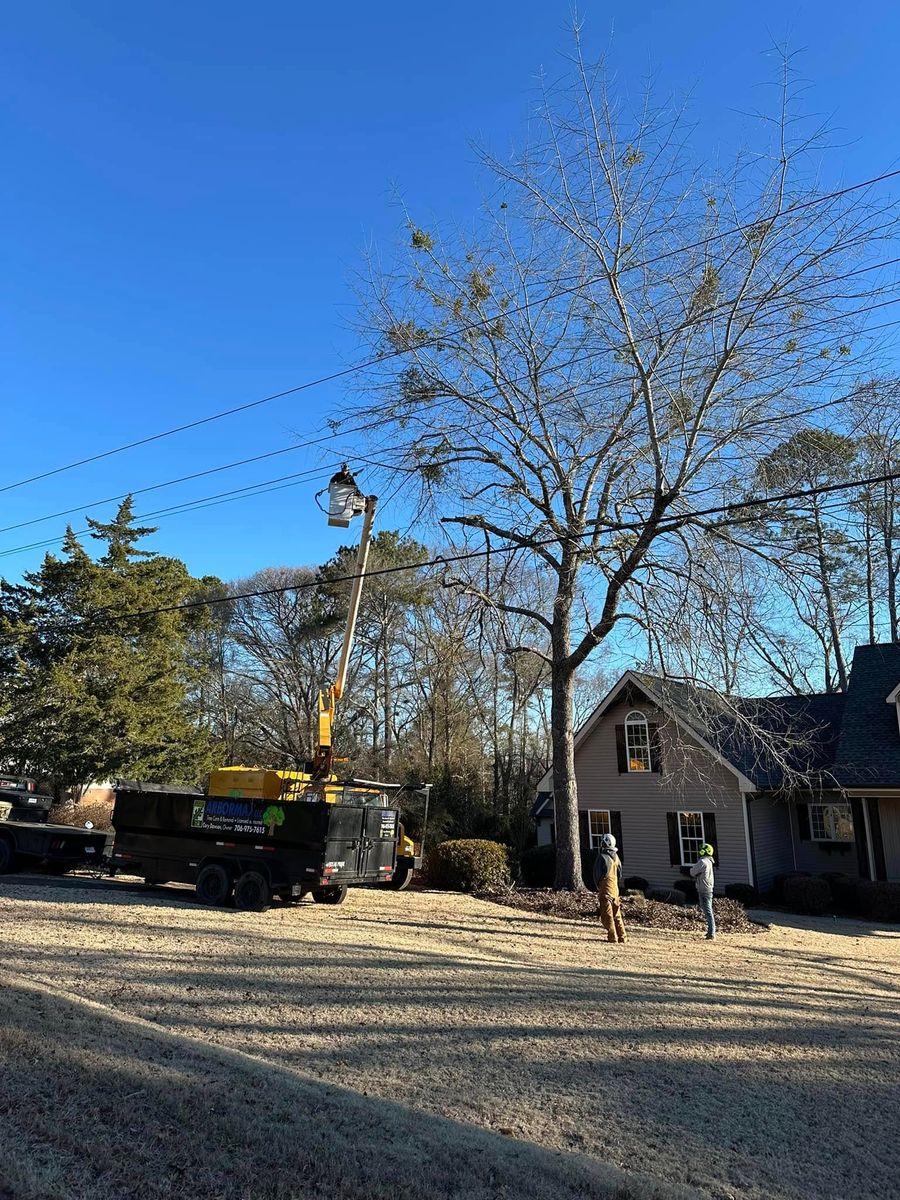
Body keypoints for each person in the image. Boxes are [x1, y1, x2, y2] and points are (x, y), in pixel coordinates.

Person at [593, 832, 627, 944]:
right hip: (615, 890)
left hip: (605, 890)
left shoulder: (602, 857)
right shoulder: (616, 858)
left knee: (607, 916)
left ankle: (612, 937)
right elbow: (620, 874)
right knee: (617, 915)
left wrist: (598, 885)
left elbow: (597, 875)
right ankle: (622, 937)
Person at [690, 843, 716, 940]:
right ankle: (710, 931)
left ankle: (711, 933)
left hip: (704, 890)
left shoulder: (702, 862)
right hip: (708, 889)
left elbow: (692, 872)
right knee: (707, 910)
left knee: (708, 911)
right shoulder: (709, 861)